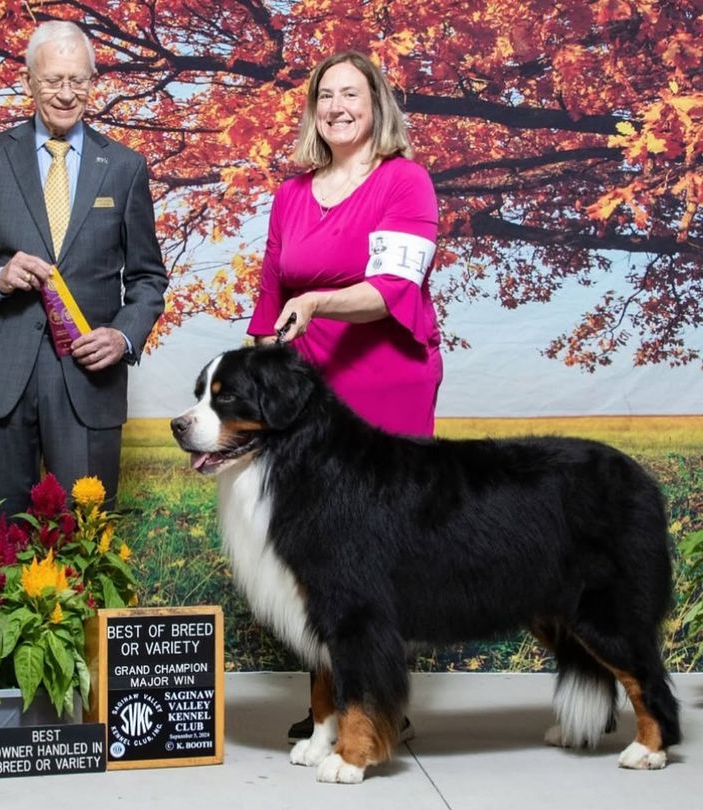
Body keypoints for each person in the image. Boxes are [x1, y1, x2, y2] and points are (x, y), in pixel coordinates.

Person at [247, 52, 442, 742]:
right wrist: (254, 374)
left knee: (376, 551)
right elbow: (270, 299)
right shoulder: (291, 194)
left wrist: (322, 300)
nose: (337, 106)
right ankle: (326, 704)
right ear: (312, 109)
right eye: (325, 95)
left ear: (377, 104)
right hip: (307, 390)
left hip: (386, 381)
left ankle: (376, 705)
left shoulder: (405, 181)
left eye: (350, 94)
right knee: (315, 545)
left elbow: (393, 289)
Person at [0, 21, 167, 524]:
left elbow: (148, 277)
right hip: (1, 378)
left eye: (77, 81)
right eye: (53, 80)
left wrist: (123, 338)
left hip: (90, 380)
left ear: (91, 83)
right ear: (29, 83)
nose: (66, 94)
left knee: (85, 538)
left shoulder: (125, 167)